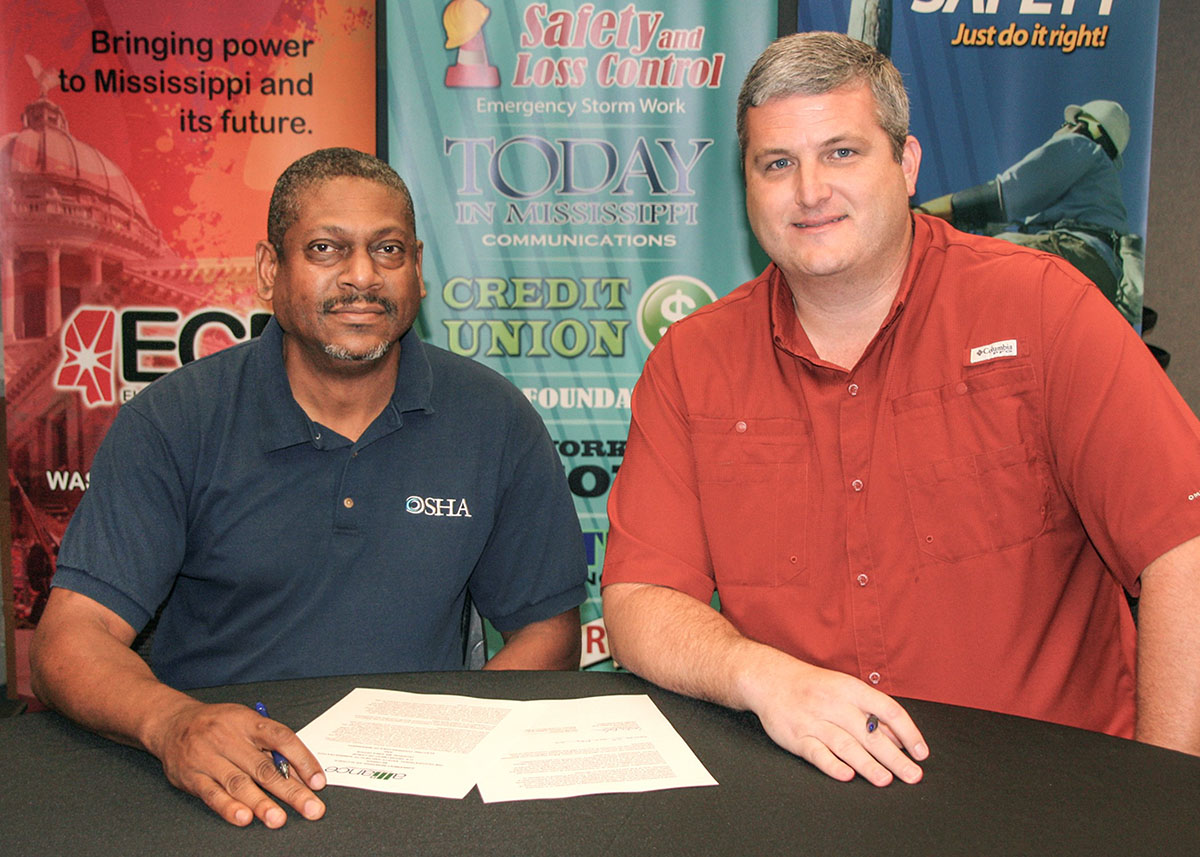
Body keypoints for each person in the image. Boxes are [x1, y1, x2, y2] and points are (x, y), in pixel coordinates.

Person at [601, 32, 1200, 789]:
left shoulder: (1045, 309)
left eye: (842, 152)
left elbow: (1183, 544)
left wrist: (1165, 798)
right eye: (777, 163)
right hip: (809, 801)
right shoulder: (693, 364)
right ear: (747, 185)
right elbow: (640, 598)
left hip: (1050, 800)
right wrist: (760, 676)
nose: (810, 190)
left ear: (906, 164)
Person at [30, 147, 587, 828]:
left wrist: (452, 737)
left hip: (418, 799)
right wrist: (172, 722)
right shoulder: (176, 419)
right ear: (271, 269)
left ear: (417, 269)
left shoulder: (493, 419)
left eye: (388, 250)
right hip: (217, 790)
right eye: (327, 248)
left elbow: (550, 632)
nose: (362, 276)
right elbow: (68, 639)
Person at [915, 99, 1139, 324]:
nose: (1063, 128)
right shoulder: (1101, 187)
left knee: (970, 261)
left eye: (1066, 124)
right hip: (1100, 285)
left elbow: (1004, 197)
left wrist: (919, 215)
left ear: (1084, 126)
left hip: (1075, 257)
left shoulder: (1082, 146)